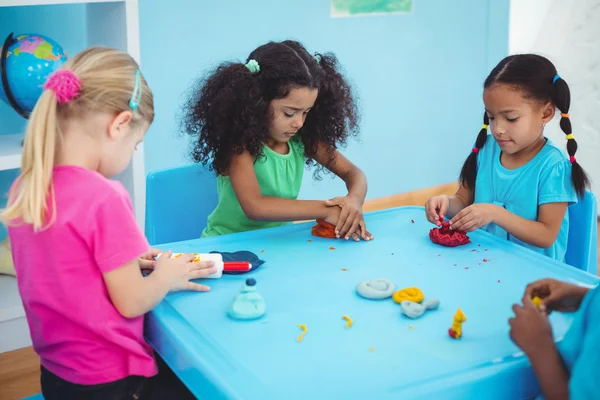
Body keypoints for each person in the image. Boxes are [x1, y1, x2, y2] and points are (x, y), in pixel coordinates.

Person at [2, 47, 215, 399]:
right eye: (136, 145)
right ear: (119, 125)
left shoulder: (25, 186)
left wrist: (129, 261)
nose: (131, 156)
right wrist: (167, 274)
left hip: (57, 376)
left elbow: (69, 270)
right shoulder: (103, 197)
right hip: (111, 381)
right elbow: (132, 302)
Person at [182, 40, 373, 241]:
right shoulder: (238, 146)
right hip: (227, 245)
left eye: (306, 112)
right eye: (289, 113)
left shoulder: (302, 139)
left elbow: (354, 173)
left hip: (279, 242)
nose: (299, 123)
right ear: (257, 102)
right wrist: (325, 209)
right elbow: (255, 206)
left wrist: (353, 200)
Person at [425, 54, 589, 261]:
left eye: (511, 119)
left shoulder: (553, 166)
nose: (498, 129)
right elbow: (462, 201)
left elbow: (546, 235)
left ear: (546, 113)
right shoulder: (486, 150)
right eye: (491, 117)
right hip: (483, 260)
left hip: (535, 275)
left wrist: (495, 213)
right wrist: (445, 204)